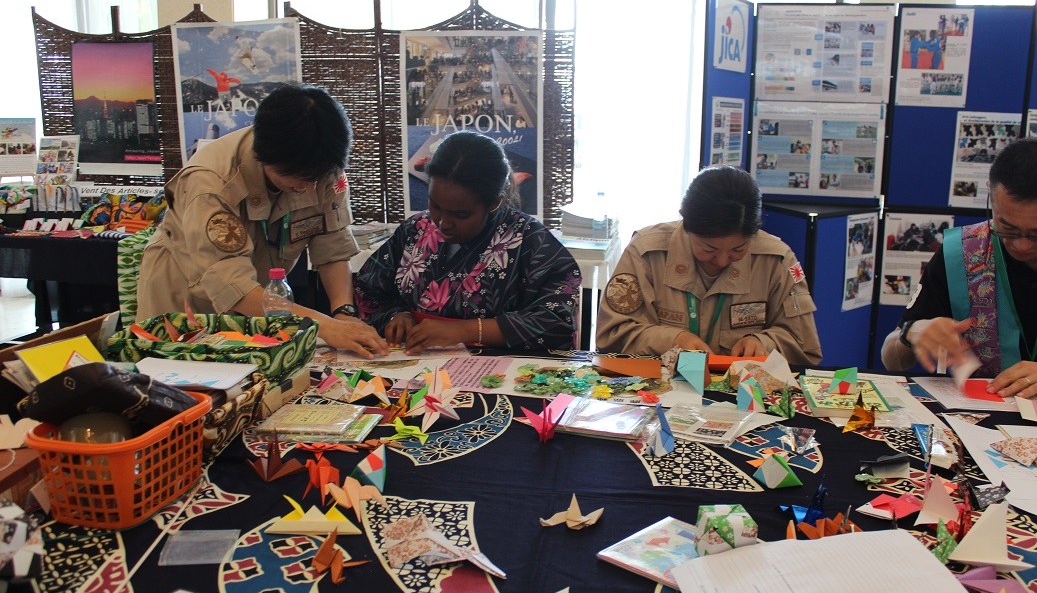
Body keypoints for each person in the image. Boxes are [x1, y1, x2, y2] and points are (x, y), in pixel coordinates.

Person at [136, 83, 389, 358]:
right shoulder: (210, 184)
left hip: (262, 304)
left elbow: (332, 245)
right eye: (299, 179)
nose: (309, 188)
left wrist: (344, 313)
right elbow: (234, 288)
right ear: (265, 157)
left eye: (316, 178)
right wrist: (324, 326)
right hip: (189, 302)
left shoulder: (323, 165)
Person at [354, 130, 581, 353]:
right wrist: (397, 315)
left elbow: (556, 322)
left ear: (493, 202)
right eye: (435, 205)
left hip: (496, 373)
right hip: (414, 368)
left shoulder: (530, 241)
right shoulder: (414, 229)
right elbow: (368, 289)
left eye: (461, 215)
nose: (443, 223)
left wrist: (464, 331)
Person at [595, 166, 822, 363]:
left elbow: (804, 344)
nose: (722, 261)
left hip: (744, 396)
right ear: (687, 228)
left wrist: (763, 342)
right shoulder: (647, 253)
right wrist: (672, 340)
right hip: (660, 390)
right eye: (709, 249)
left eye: (738, 249)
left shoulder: (776, 260)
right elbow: (612, 336)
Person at [881, 138, 1037, 398]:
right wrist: (912, 333)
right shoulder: (963, 253)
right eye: (1007, 228)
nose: (1020, 245)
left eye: (1035, 234)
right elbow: (891, 359)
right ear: (990, 194)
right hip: (980, 421)